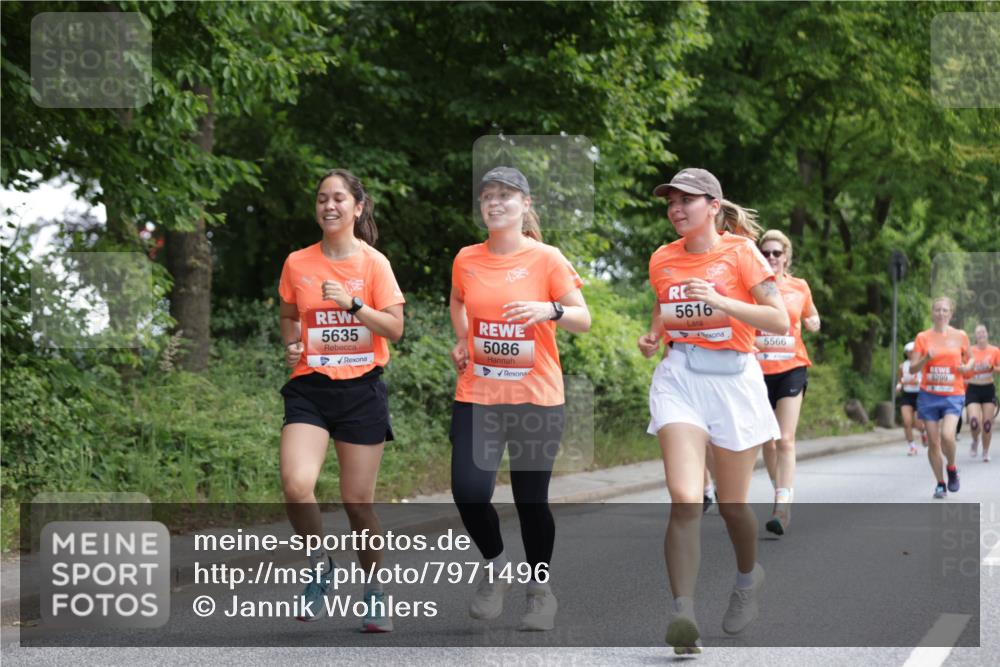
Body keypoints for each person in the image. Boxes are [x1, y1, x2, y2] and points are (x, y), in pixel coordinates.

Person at [638, 168, 788, 654]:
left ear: (714, 206)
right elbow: (665, 307)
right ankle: (683, 615)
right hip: (680, 377)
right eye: (671, 202)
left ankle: (747, 578)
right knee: (685, 498)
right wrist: (654, 335)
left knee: (732, 506)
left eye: (687, 200)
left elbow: (778, 319)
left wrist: (722, 300)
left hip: (734, 381)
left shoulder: (742, 253)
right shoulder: (662, 258)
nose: (676, 209)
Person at [449, 166, 591, 631]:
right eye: (487, 195)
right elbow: (458, 300)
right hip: (479, 394)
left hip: (536, 398)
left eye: (505, 195)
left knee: (531, 501)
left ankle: (540, 591)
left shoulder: (547, 259)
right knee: (469, 491)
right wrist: (463, 338)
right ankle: (496, 566)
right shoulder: (466, 258)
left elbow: (582, 318)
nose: (494, 203)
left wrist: (548, 309)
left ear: (525, 204)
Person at [277, 169, 406, 631]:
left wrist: (353, 304)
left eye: (338, 199)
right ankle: (319, 566)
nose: (328, 206)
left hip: (361, 391)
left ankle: (374, 591)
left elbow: (395, 328)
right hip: (310, 388)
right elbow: (288, 315)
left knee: (358, 505)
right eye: (321, 199)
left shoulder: (374, 264)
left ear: (358, 207)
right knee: (296, 484)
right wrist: (293, 341)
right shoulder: (297, 262)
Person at [755, 229, 820, 536]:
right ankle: (779, 488)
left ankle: (782, 506)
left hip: (792, 366)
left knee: (785, 438)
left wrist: (813, 321)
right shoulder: (751, 286)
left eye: (776, 253)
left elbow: (812, 315)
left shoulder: (799, 286)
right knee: (767, 442)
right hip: (757, 371)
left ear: (786, 257)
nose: (771, 257)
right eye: (765, 253)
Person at [910, 297, 973, 498]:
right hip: (929, 395)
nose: (941, 313)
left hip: (953, 395)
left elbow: (970, 359)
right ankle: (940, 483)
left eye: (945, 310)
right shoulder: (922, 337)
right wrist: (926, 358)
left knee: (947, 436)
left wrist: (966, 367)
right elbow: (912, 368)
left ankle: (952, 467)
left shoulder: (960, 336)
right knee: (933, 442)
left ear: (951, 314)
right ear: (932, 313)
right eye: (937, 310)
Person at [965, 324, 1000, 461]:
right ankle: (975, 441)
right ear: (975, 336)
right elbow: (963, 367)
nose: (981, 334)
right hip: (973, 388)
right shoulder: (970, 351)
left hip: (988, 388)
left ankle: (985, 451)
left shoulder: (994, 350)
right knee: (974, 421)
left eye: (983, 332)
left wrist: (992, 367)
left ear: (987, 334)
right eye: (978, 332)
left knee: (987, 424)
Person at [896, 341, 926, 455]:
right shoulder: (902, 366)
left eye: (913, 351)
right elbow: (900, 380)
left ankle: (923, 433)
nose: (911, 354)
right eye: (908, 352)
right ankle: (912, 446)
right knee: (906, 422)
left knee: (918, 424)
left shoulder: (921, 364)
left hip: (919, 395)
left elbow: (925, 379)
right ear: (906, 353)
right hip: (907, 396)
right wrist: (899, 386)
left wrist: (917, 381)